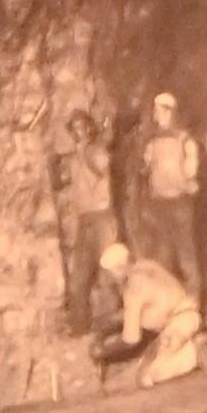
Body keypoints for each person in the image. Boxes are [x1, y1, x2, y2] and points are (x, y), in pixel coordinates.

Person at [93, 243, 205, 388]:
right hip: (189, 317)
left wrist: (104, 351)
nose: (109, 278)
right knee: (149, 357)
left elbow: (131, 339)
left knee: (145, 378)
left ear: (120, 268)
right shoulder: (147, 265)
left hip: (178, 325)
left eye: (110, 273)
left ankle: (194, 354)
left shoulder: (133, 288)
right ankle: (190, 344)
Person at [53, 111, 119, 334]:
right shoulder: (74, 157)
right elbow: (62, 183)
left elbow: (104, 165)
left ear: (90, 128)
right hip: (84, 220)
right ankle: (80, 328)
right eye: (74, 128)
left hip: (102, 216)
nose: (79, 131)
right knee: (78, 278)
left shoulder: (95, 151)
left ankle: (124, 324)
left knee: (111, 271)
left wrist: (90, 150)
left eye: (82, 126)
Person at [136, 91, 204, 300]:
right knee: (163, 254)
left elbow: (191, 170)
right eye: (155, 111)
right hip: (160, 202)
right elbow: (145, 168)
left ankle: (194, 301)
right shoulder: (153, 141)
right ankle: (168, 302)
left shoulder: (185, 139)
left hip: (179, 202)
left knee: (185, 251)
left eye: (160, 111)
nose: (156, 115)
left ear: (170, 112)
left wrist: (184, 181)